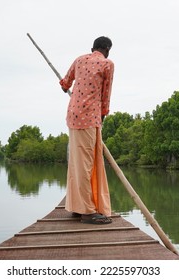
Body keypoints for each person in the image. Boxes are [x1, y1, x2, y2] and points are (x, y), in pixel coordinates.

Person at [59, 36, 114, 224]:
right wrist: (103, 117)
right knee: (85, 165)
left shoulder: (79, 59)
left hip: (73, 116)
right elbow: (106, 96)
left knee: (77, 162)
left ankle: (77, 206)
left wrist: (67, 87)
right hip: (89, 118)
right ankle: (87, 212)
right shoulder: (107, 64)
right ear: (107, 49)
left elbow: (65, 83)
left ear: (92, 48)